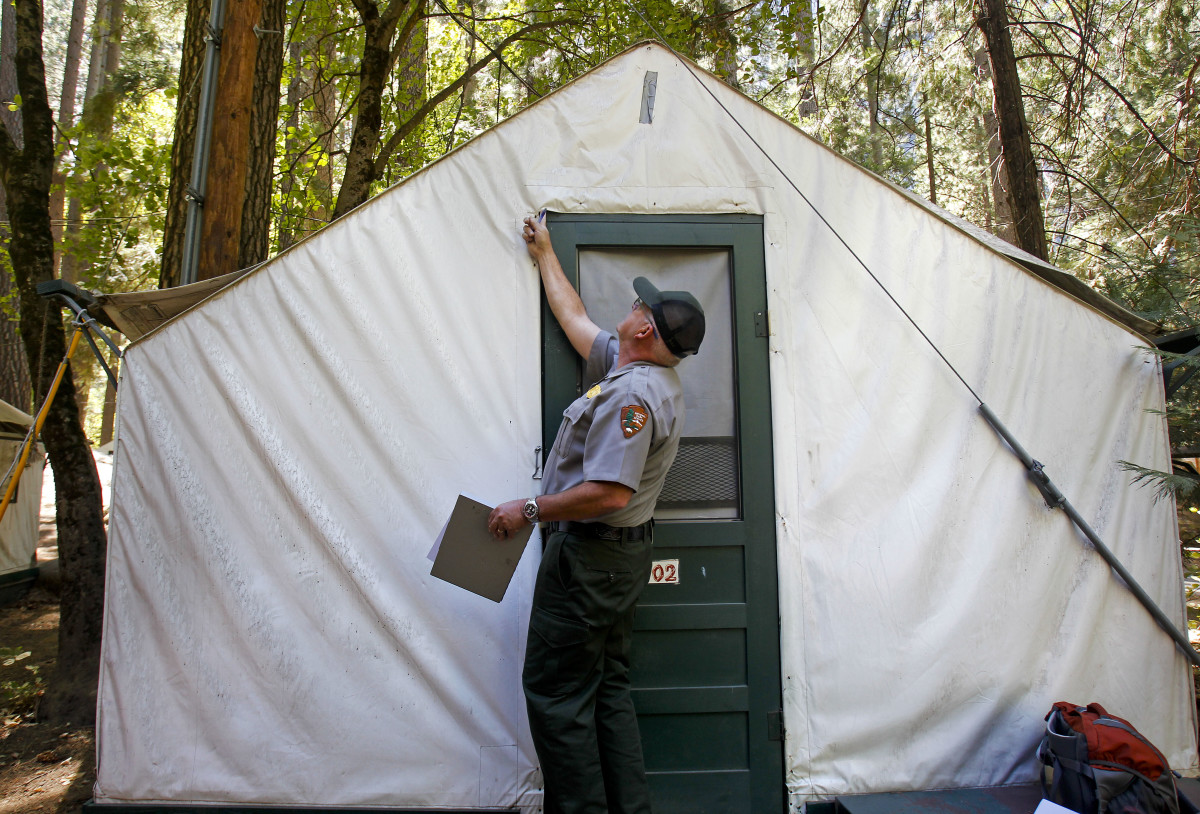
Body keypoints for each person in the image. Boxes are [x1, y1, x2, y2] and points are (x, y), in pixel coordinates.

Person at [487, 214, 706, 814]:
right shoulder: (637, 371)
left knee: (558, 698)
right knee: (607, 689)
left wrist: (528, 509)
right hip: (617, 562)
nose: (634, 305)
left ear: (644, 328)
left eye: (642, 306)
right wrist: (545, 255)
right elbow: (573, 319)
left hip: (590, 559)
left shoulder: (633, 397)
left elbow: (609, 492)